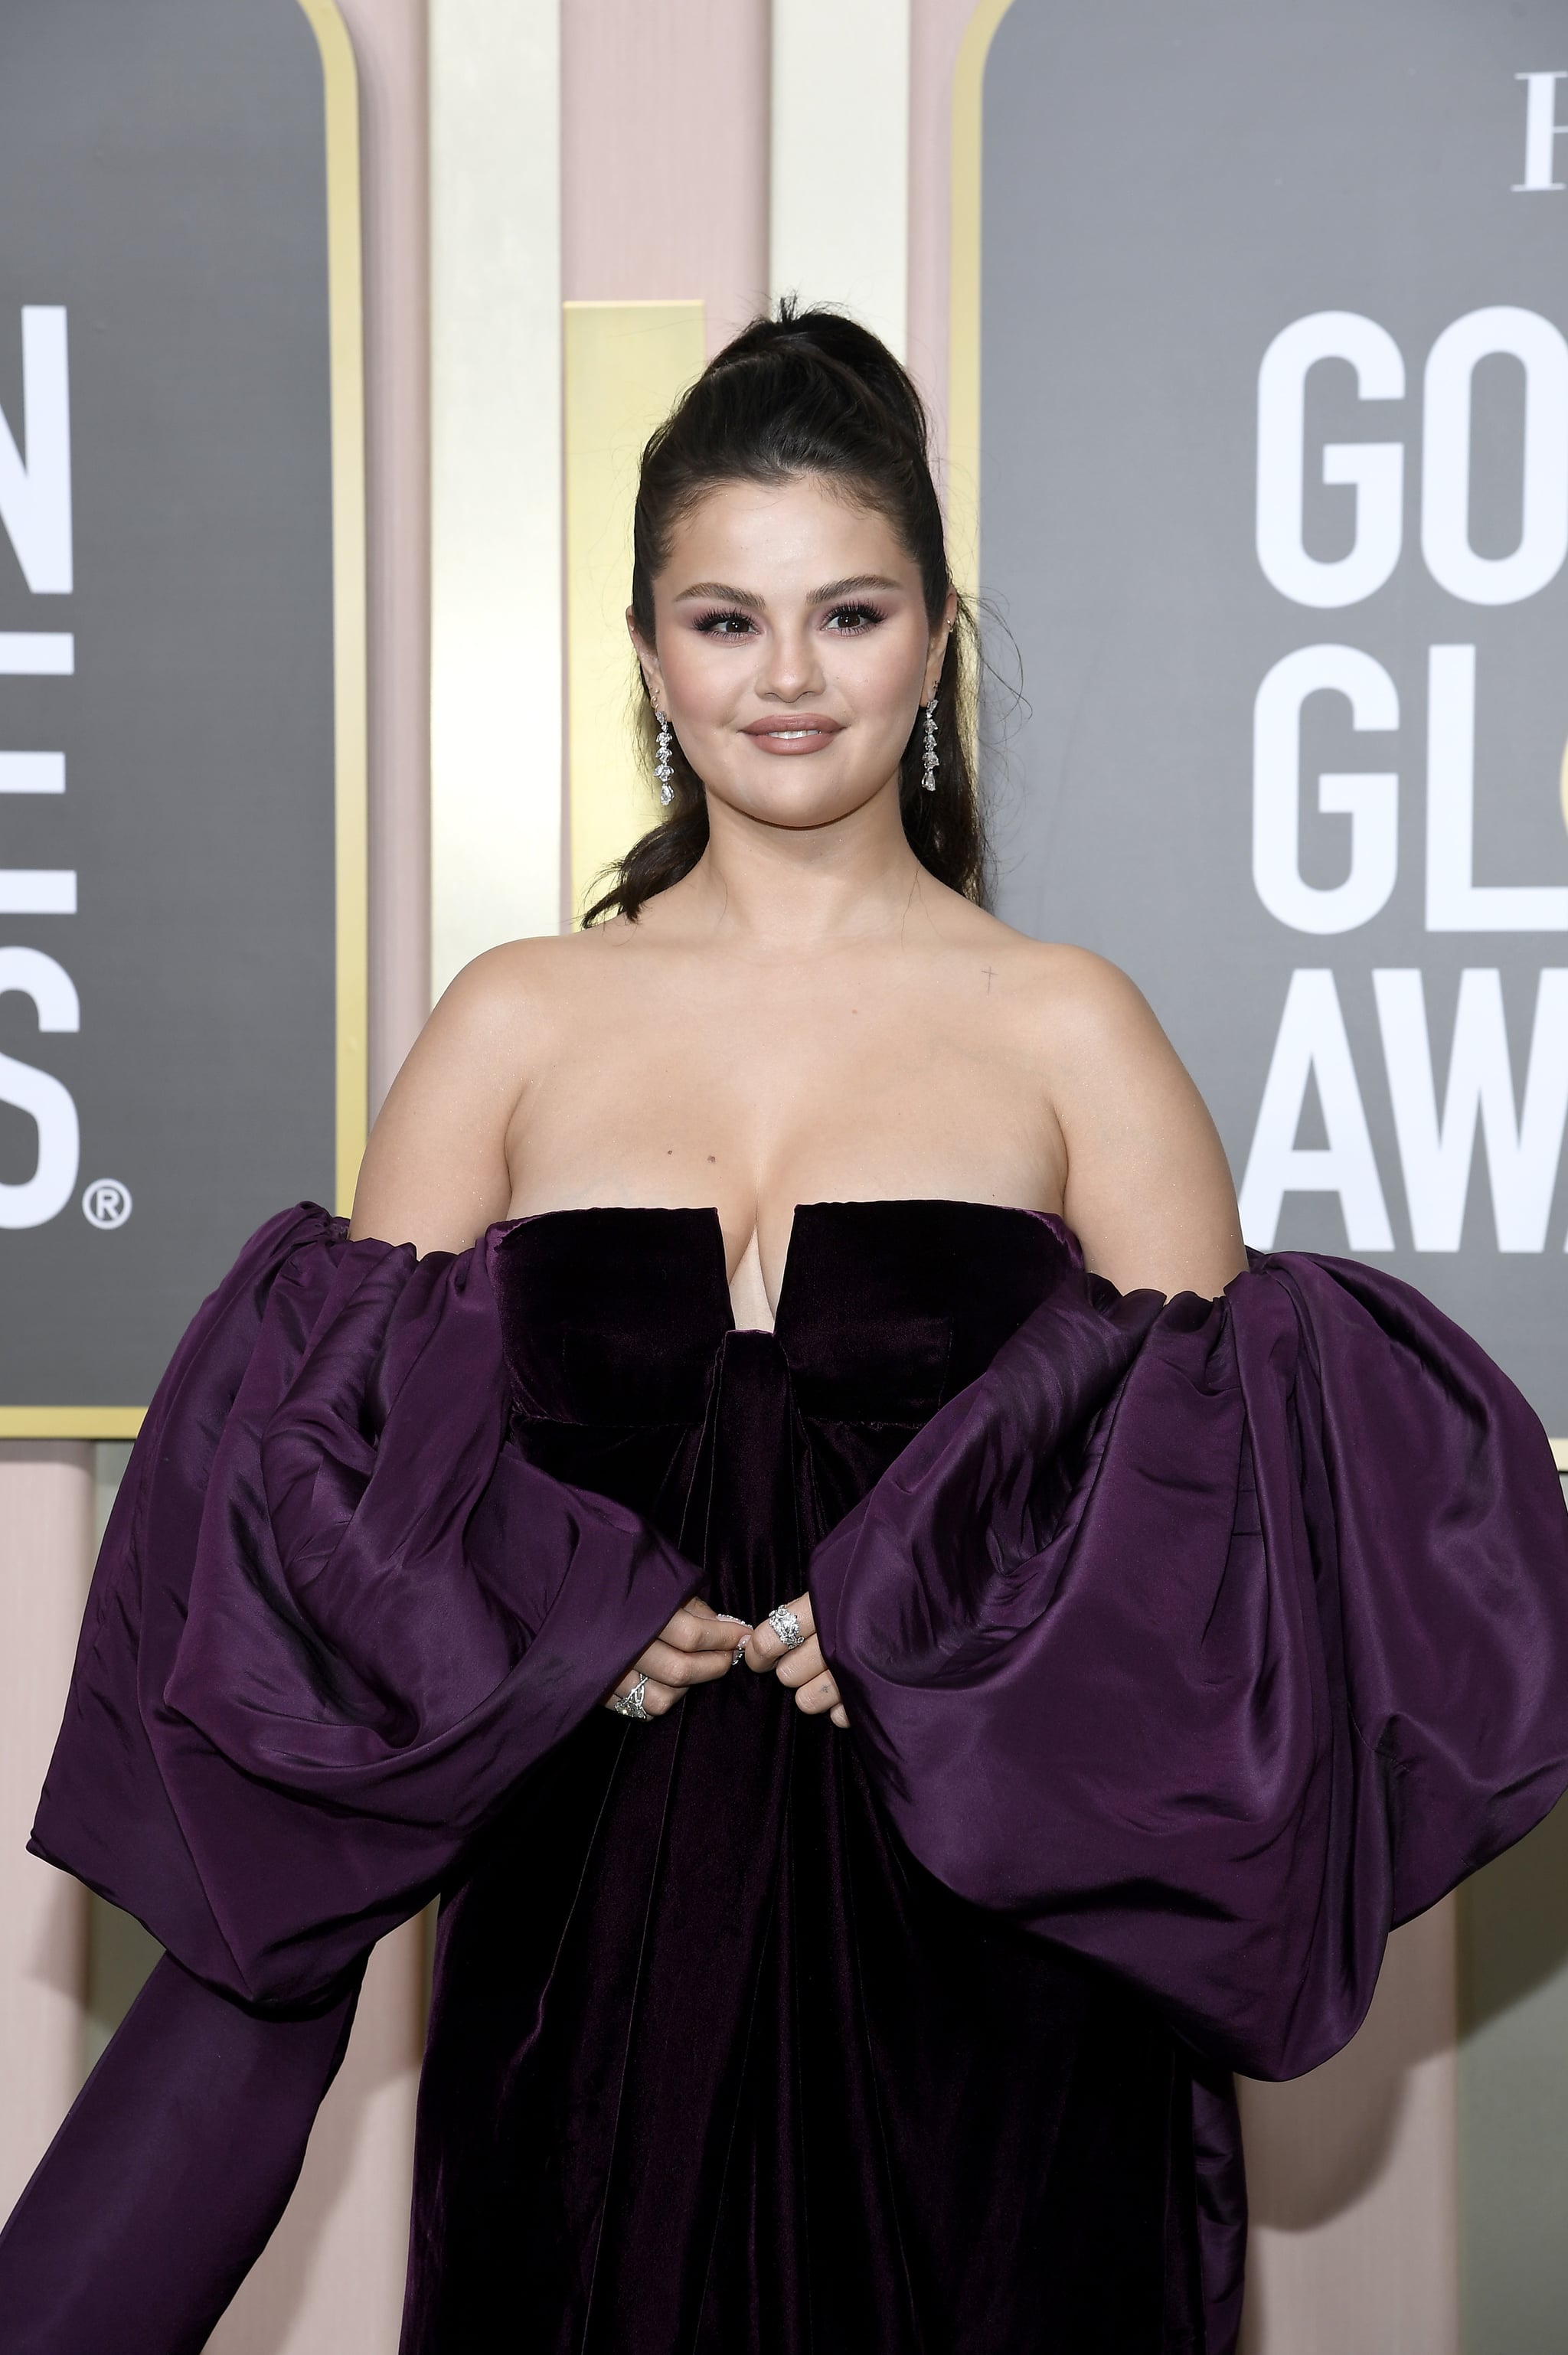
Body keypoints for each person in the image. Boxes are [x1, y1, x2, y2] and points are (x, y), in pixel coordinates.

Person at [5, 305, 1568, 2355]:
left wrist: (955, 1619)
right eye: (726, 620)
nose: (789, 678)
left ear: (931, 637)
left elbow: (1225, 1555)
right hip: (585, 1976)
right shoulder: (513, 1020)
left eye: (847, 611)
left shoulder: (1068, 1024)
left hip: (997, 2012)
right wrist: (549, 1611)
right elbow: (330, 1529)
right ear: (650, 654)